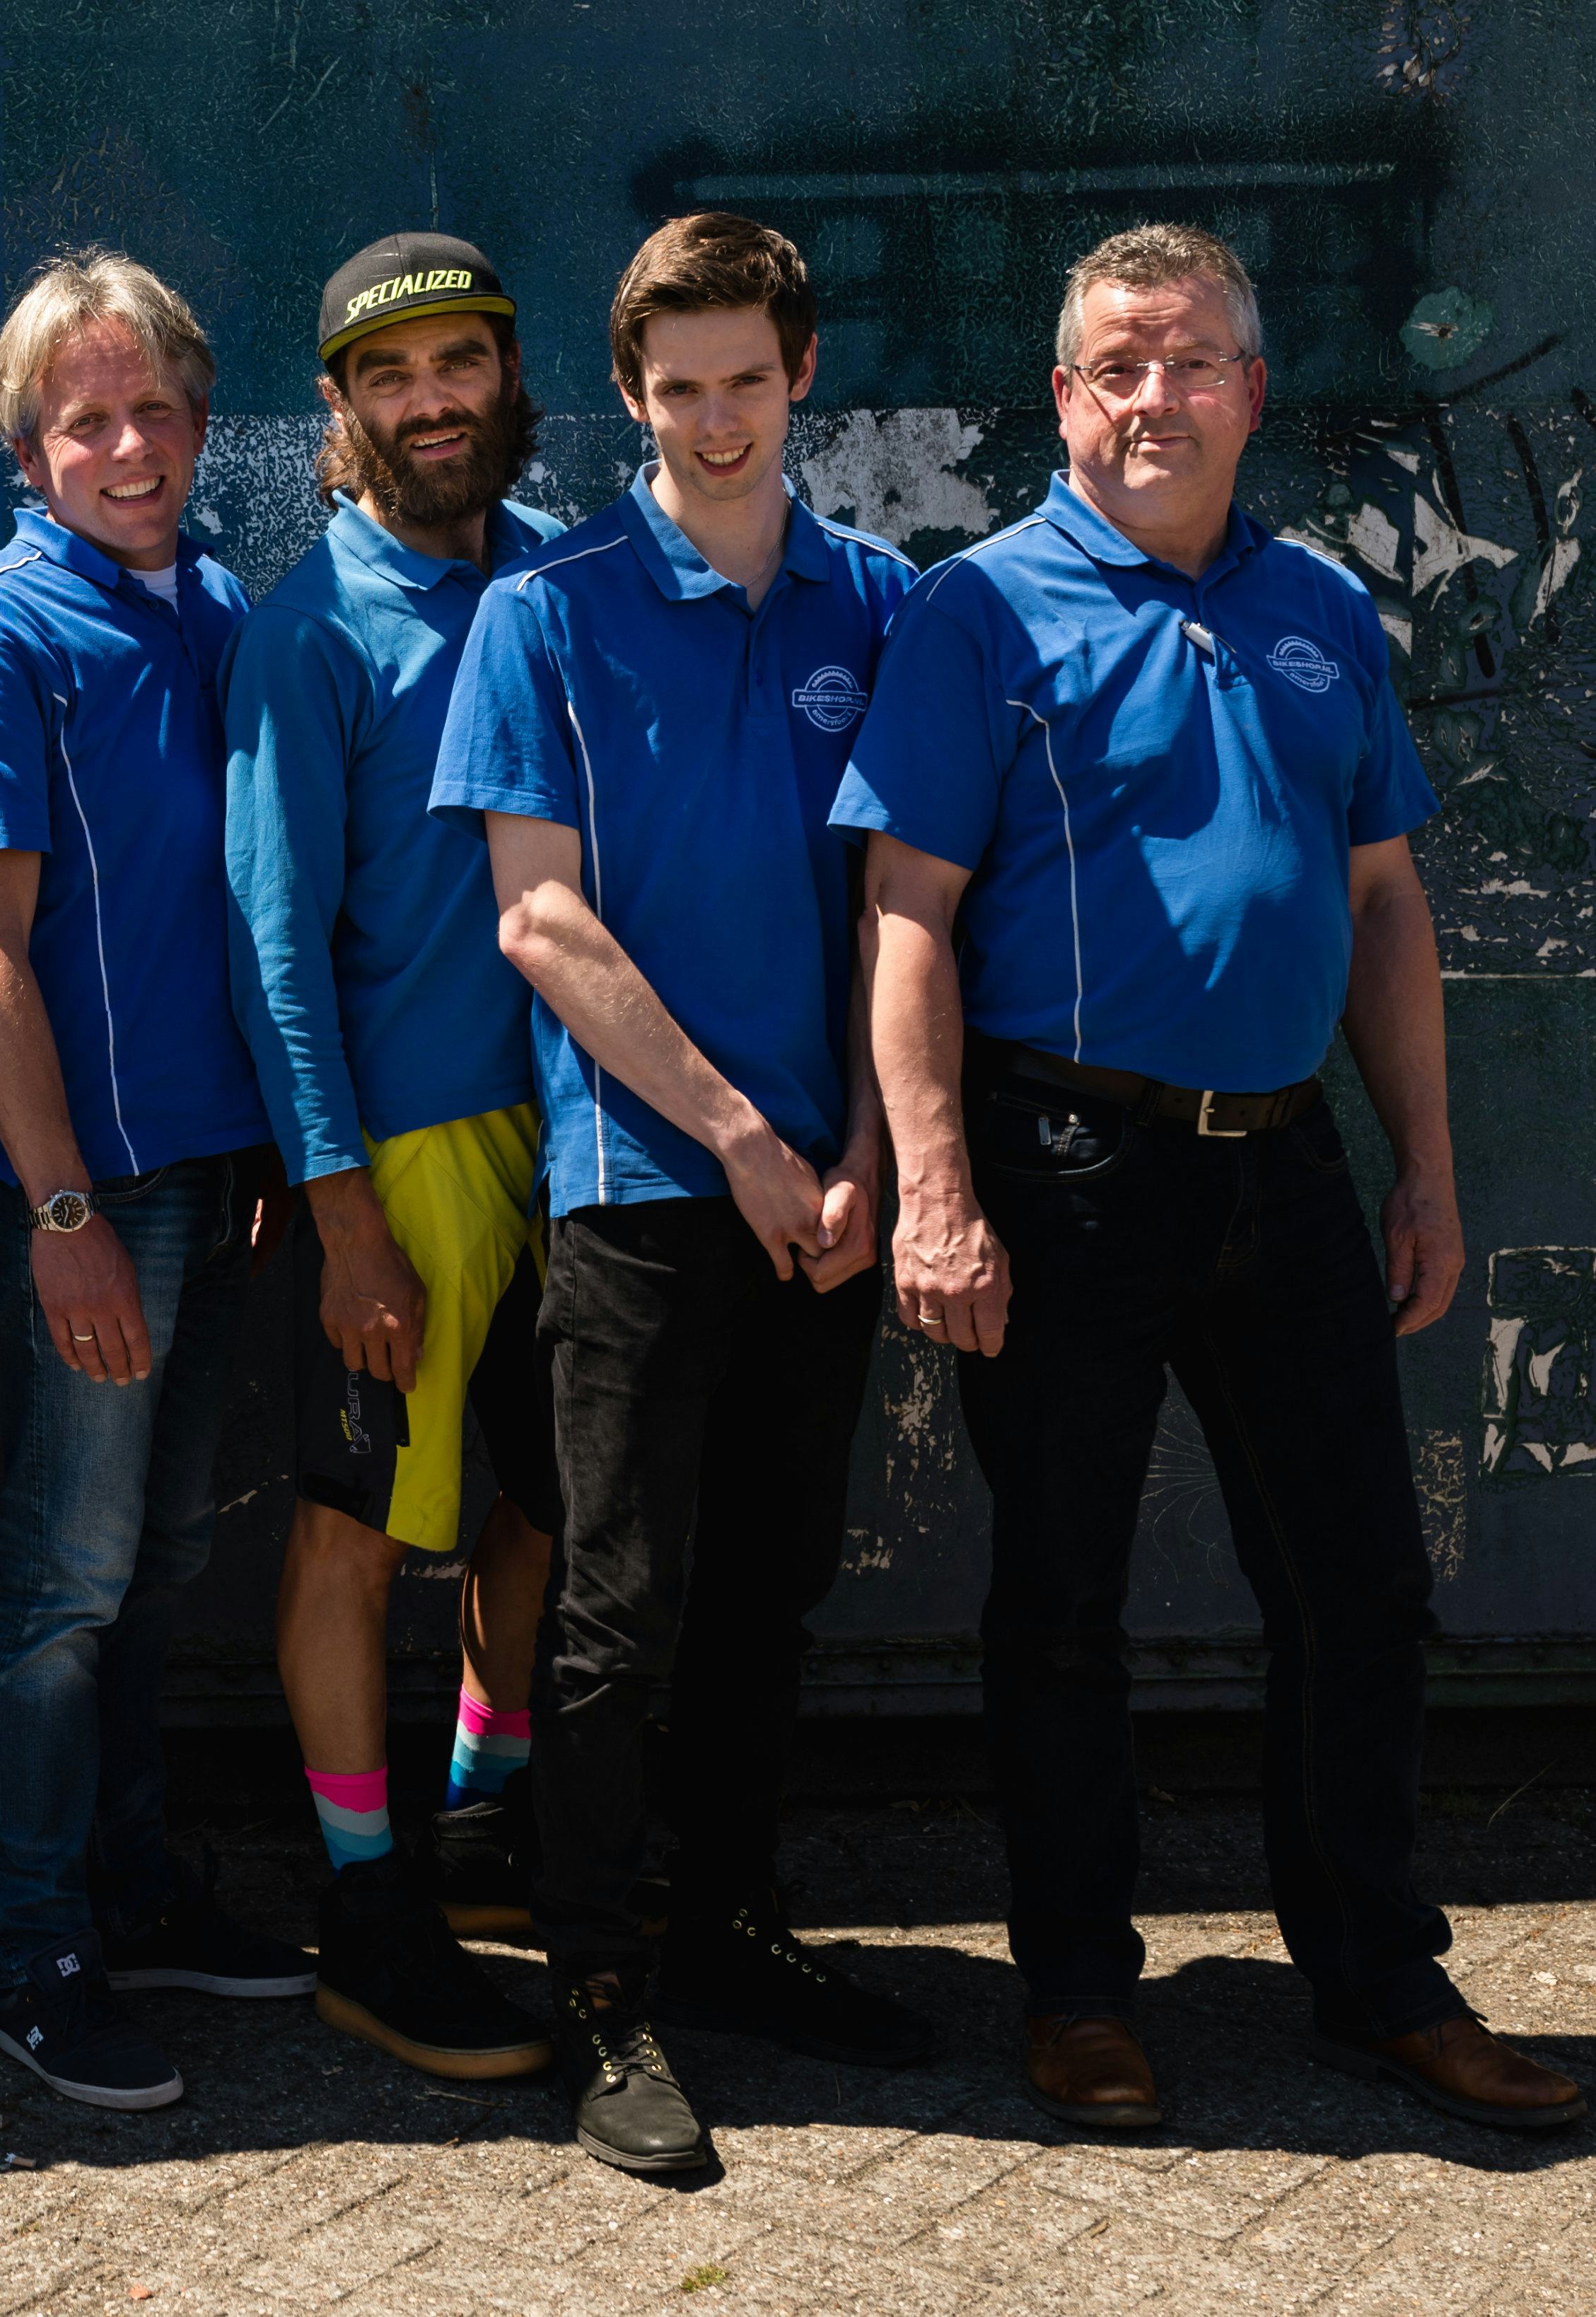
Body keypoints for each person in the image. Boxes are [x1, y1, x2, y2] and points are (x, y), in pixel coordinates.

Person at [835, 223, 1582, 2136]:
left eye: (1183, 363)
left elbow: (1383, 897)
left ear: (1252, 392)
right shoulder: (977, 615)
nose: (1146, 397)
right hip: (1065, 1166)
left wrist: (1422, 1165)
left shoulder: (1320, 605)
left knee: (1357, 1583)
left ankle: (1375, 1973)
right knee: (1062, 1599)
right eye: (1108, 366)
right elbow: (905, 918)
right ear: (1061, 395)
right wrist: (936, 1189)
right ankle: (1080, 1987)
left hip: (1290, 1169)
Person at [431, 212, 932, 2178]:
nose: (714, 421)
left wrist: (878, 1154)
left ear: (799, 375)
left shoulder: (882, 603)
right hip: (644, 1182)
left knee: (772, 1588)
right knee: (620, 1610)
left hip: (833, 1193)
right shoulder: (542, 609)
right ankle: (603, 1987)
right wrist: (733, 1132)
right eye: (676, 389)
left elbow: (913, 907)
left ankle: (727, 1927)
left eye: (746, 379)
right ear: (630, 397)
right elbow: (537, 915)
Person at [0, 248, 315, 2117]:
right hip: (71, 1192)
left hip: (205, 1172)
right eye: (88, 419)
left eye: (156, 410)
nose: (129, 445)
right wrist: (62, 1208)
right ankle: (39, 1943)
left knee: (154, 1561)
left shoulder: (220, 604)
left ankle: (134, 1882)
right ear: (23, 442)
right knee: (64, 1580)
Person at [221, 231, 562, 2086]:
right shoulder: (310, 630)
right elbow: (271, 941)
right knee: (356, 1538)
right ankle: (365, 1904)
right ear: (342, 410)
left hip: (575, 1144)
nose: (433, 398)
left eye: (462, 363)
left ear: (504, 381)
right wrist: (345, 1213)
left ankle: (485, 1812)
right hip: (405, 1161)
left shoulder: (554, 587)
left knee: (544, 1509)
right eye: (391, 373)